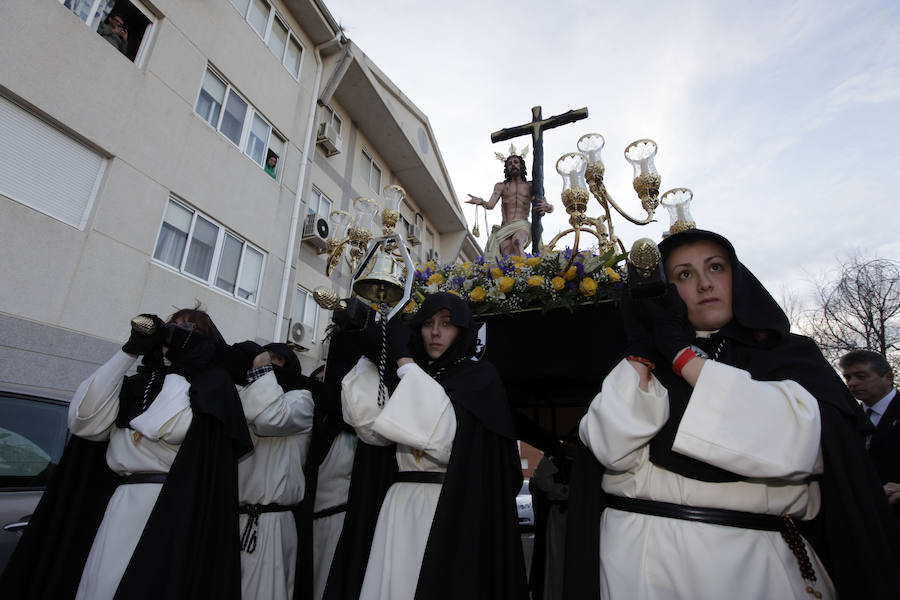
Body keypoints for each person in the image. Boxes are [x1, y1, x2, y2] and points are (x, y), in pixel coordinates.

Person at [566, 229, 900, 599]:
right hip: (644, 561)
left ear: (737, 276)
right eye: (684, 274)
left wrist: (682, 356)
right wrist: (645, 348)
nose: (705, 283)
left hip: (762, 561)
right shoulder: (640, 363)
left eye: (716, 267)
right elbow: (611, 446)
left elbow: (796, 441)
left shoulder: (791, 356)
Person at [1, 308, 252, 599]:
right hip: (119, 500)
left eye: (189, 329)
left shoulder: (212, 386)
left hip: (170, 506)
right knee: (101, 584)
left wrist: (183, 368)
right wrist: (129, 351)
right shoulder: (138, 384)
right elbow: (84, 420)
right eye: (172, 327)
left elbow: (162, 425)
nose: (176, 335)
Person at [337, 292, 528, 600]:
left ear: (462, 331)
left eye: (446, 324)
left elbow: (441, 437)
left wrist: (404, 361)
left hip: (451, 507)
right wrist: (373, 351)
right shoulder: (411, 374)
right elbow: (371, 430)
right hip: (399, 503)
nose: (435, 332)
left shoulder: (479, 377)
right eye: (428, 324)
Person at [233, 341, 316, 600]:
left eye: (276, 360)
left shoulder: (301, 399)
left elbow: (269, 419)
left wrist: (261, 370)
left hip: (271, 522)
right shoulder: (243, 394)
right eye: (264, 358)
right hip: (235, 518)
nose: (268, 364)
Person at [839, 350, 900, 516]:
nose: (853, 383)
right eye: (848, 377)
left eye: (861, 376)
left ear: (888, 378)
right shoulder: (847, 419)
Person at [467, 154, 553, 258]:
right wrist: (481, 201)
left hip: (522, 225)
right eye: (510, 164)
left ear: (521, 165)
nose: (513, 165)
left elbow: (546, 205)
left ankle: (526, 265)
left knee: (517, 241)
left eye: (516, 162)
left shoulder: (531, 186)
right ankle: (520, 268)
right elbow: (490, 205)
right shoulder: (501, 186)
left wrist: (548, 207)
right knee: (508, 256)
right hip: (505, 229)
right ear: (507, 168)